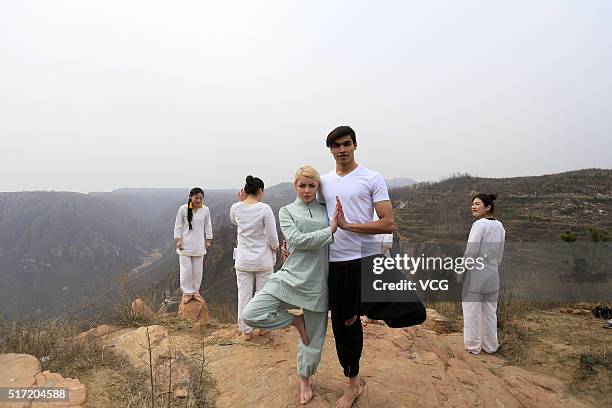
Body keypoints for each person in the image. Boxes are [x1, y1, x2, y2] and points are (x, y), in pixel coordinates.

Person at [318, 126, 427, 408]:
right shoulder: (324, 182)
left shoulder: (371, 178)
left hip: (367, 259)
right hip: (336, 262)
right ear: (330, 150)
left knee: (413, 309)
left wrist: (348, 226)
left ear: (355, 145)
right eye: (336, 146)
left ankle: (363, 308)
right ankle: (353, 385)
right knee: (344, 329)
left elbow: (388, 222)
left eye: (346, 144)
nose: (342, 149)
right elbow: (314, 217)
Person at [242, 165, 337, 405]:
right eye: (302, 185)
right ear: (295, 186)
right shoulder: (286, 211)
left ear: (318, 187)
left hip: (317, 282)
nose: (306, 190)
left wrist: (331, 228)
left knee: (314, 340)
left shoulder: (326, 211)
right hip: (289, 276)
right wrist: (330, 231)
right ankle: (296, 320)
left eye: (311, 186)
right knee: (251, 314)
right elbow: (296, 240)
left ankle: (304, 378)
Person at [230, 175, 279, 341]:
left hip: (243, 260)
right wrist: (275, 247)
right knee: (264, 294)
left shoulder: (236, 208)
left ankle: (246, 330)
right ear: (260, 191)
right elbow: (272, 236)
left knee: (244, 295)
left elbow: (234, 221)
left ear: (245, 191)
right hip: (262, 259)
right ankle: (263, 327)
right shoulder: (265, 209)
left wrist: (241, 202)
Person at [458, 193, 505, 354]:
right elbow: (500, 253)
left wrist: (463, 269)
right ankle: (490, 346)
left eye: (477, 203)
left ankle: (473, 347)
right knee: (489, 312)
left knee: (471, 310)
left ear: (488, 207)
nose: (473, 206)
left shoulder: (480, 225)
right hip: (492, 274)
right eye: (472, 203)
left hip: (476, 274)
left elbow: (471, 251)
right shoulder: (500, 226)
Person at [173, 187, 213, 304]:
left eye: (201, 198)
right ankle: (187, 293)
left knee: (197, 271)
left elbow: (208, 225)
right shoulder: (183, 209)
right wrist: (179, 240)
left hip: (199, 245)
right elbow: (178, 226)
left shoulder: (205, 210)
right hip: (185, 245)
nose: (198, 200)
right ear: (191, 197)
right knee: (186, 271)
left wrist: (208, 239)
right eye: (196, 198)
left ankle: (195, 292)